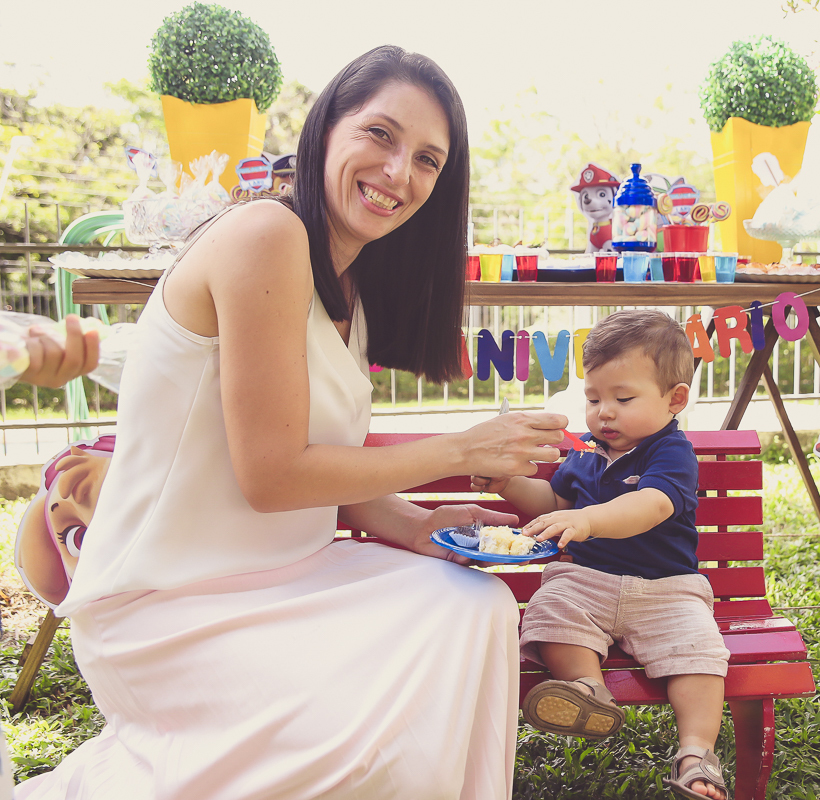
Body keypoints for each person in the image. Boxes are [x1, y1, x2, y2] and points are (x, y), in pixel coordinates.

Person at [17, 45, 567, 800]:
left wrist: (416, 524)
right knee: (361, 731)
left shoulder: (348, 289)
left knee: (470, 607)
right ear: (325, 132)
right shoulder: (264, 237)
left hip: (283, 577)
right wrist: (462, 448)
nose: (399, 173)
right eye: (380, 135)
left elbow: (324, 468)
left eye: (428, 160)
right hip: (172, 601)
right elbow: (275, 474)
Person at [471, 310, 730, 800]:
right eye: (593, 398)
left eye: (622, 398)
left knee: (698, 652)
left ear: (675, 399)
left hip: (666, 589)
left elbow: (651, 505)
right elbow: (556, 505)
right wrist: (508, 485)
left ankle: (697, 753)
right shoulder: (585, 452)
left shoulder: (670, 452)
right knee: (551, 610)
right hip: (586, 580)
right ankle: (588, 692)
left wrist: (589, 521)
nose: (603, 412)